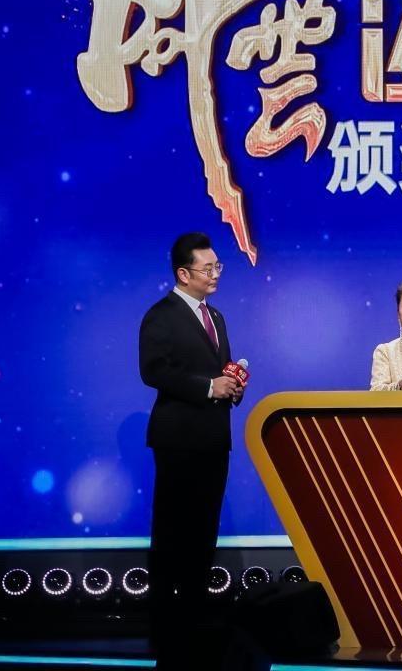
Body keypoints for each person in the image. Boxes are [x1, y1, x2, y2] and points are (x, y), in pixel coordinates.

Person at [138, 232, 245, 667]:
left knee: (204, 532)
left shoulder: (215, 316)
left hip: (214, 438)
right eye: (208, 268)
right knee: (172, 534)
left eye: (218, 266)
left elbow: (219, 370)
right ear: (184, 273)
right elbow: (153, 371)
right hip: (178, 439)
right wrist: (207, 387)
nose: (216, 274)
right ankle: (165, 627)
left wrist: (231, 386)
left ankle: (195, 619)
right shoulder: (160, 316)